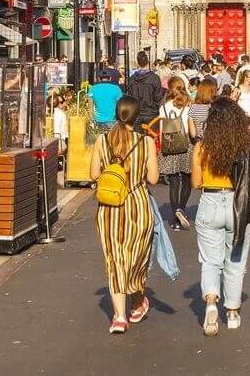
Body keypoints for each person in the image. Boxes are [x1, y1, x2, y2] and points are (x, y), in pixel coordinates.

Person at [192, 98, 250, 337]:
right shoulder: (242, 147)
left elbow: (196, 183)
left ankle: (211, 302)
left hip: (210, 203)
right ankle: (232, 312)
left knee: (210, 260)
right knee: (235, 261)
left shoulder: (202, 147)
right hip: (237, 205)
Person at [89, 96, 159, 334]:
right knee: (138, 257)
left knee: (115, 259)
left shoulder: (102, 141)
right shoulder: (145, 142)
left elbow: (93, 174)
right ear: (137, 116)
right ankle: (138, 300)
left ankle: (119, 316)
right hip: (137, 206)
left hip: (109, 208)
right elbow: (153, 179)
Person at [153, 80, 197, 230]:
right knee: (186, 179)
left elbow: (160, 129)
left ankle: (175, 216)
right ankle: (181, 209)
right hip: (186, 143)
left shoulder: (164, 107)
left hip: (170, 143)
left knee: (173, 182)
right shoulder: (189, 105)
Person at [128, 50, 165, 129]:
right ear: (148, 62)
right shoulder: (154, 78)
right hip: (151, 114)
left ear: (138, 62)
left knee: (138, 139)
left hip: (137, 114)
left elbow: (130, 98)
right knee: (151, 139)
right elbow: (158, 98)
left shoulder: (131, 80)